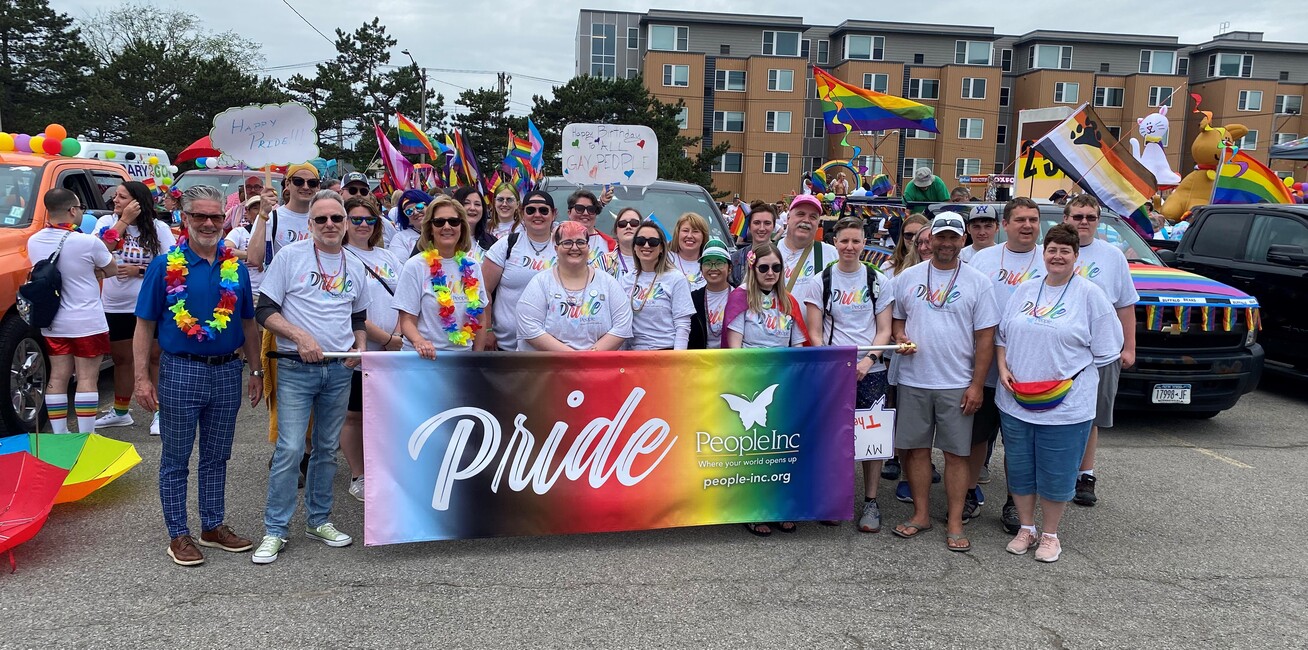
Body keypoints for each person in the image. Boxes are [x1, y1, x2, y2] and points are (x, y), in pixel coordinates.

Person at [132, 185, 264, 566]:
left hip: (227, 372)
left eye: (215, 217)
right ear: (184, 218)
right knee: (175, 457)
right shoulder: (164, 266)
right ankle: (178, 534)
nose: (208, 224)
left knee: (217, 456)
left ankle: (212, 525)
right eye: (200, 216)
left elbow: (249, 324)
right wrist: (142, 378)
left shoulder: (234, 267)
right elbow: (144, 326)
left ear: (224, 220)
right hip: (181, 370)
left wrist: (255, 370)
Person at [252, 190, 369, 564]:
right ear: (310, 224)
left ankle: (318, 521)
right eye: (322, 219)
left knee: (326, 450)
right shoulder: (290, 257)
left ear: (346, 223)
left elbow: (358, 317)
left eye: (337, 218)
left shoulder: (355, 264)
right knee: (289, 449)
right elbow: (264, 309)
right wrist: (300, 336)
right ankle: (275, 530)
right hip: (295, 368)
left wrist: (360, 347)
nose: (330, 225)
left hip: (338, 369)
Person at [996, 224, 1123, 563]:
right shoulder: (1024, 291)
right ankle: (1026, 527)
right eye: (1052, 249)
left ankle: (1050, 534)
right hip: (1017, 399)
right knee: (1021, 469)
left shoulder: (1090, 295)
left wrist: (1067, 376)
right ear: (1043, 253)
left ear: (1075, 256)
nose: (1057, 256)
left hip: (1066, 405)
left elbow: (1107, 350)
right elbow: (1002, 338)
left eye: (1065, 251)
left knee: (1056, 471)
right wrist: (1004, 369)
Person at [889, 213, 999, 553]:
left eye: (953, 238)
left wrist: (977, 385)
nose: (947, 244)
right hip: (914, 379)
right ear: (930, 239)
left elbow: (985, 339)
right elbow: (897, 322)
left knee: (956, 455)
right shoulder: (908, 278)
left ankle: (953, 521)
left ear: (963, 240)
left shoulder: (979, 282)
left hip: (957, 381)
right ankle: (921, 514)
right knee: (917, 451)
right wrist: (900, 337)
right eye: (941, 237)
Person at [965, 197, 1045, 532]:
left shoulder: (1050, 259)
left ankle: (1015, 503)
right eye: (1020, 219)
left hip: (1030, 367)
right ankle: (968, 493)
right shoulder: (982, 260)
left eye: (1033, 219)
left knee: (1020, 442)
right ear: (1006, 225)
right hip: (984, 365)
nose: (1027, 225)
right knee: (976, 437)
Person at [724, 242, 809, 536]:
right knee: (754, 451)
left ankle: (782, 506)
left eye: (776, 267)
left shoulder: (789, 301)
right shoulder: (739, 299)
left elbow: (799, 345)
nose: (770, 273)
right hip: (752, 382)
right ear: (752, 268)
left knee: (780, 450)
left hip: (783, 383)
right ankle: (752, 508)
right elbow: (733, 346)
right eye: (764, 267)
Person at [1063, 194, 1138, 508]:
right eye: (1077, 216)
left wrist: (1129, 347)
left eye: (1090, 217)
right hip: (1061, 349)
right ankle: (1058, 473)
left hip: (1101, 352)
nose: (1083, 222)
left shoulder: (1113, 256)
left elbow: (1125, 305)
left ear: (1098, 220)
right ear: (1066, 219)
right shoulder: (1052, 251)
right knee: (1057, 413)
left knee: (1090, 416)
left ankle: (1085, 475)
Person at [820, 217, 894, 533]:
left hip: (871, 370)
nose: (849, 247)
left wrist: (867, 361)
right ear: (834, 243)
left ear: (864, 243)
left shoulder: (878, 280)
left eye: (856, 241)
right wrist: (838, 365)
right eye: (844, 241)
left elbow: (884, 329)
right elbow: (814, 331)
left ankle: (871, 501)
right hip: (835, 371)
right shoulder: (821, 281)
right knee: (834, 436)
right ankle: (837, 498)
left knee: (871, 437)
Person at [29, 189, 117, 435]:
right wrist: (93, 271)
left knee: (58, 376)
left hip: (53, 322)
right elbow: (111, 269)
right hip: (88, 321)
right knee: (87, 378)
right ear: (72, 210)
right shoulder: (87, 241)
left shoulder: (34, 240)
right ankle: (87, 435)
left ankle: (60, 435)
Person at [93, 180, 178, 435]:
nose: (115, 201)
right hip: (115, 303)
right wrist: (122, 221)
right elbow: (97, 251)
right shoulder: (106, 224)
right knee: (121, 358)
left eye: (121, 197)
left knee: (154, 356)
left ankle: (161, 412)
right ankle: (120, 412)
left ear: (137, 202)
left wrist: (139, 270)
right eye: (115, 197)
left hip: (149, 303)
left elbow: (173, 264)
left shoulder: (158, 228)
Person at [340, 196, 403, 503]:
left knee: (387, 414)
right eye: (356, 219)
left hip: (393, 350)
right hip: (360, 348)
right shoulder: (339, 257)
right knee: (354, 415)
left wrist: (399, 335)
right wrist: (387, 339)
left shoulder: (388, 257)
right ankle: (358, 474)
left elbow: (405, 298)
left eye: (369, 220)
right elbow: (353, 310)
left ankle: (385, 469)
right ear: (344, 222)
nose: (363, 225)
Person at [395, 196, 488, 357]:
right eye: (439, 222)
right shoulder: (415, 266)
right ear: (430, 227)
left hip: (462, 359)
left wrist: (477, 359)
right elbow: (407, 320)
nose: (447, 227)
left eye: (453, 221)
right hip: (424, 359)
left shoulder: (472, 266)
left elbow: (480, 318)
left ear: (462, 227)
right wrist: (419, 342)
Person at [517, 221, 632, 351]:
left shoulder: (608, 283)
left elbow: (622, 325)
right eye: (567, 243)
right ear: (556, 248)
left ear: (588, 247)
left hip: (596, 366)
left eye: (580, 242)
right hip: (549, 367)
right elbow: (528, 326)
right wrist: (572, 357)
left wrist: (589, 357)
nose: (575, 247)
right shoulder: (541, 282)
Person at [482, 190, 558, 351]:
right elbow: (484, 290)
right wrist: (487, 329)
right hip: (506, 346)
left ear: (554, 214)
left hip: (552, 347)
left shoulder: (564, 247)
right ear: (522, 213)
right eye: (531, 210)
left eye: (544, 210)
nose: (537, 215)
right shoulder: (506, 245)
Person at [777, 195, 838, 344]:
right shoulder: (769, 252)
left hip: (815, 343)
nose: (806, 220)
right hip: (775, 343)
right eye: (800, 214)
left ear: (818, 223)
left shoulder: (830, 253)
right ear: (788, 218)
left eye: (813, 217)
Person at [627, 221, 694, 350]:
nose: (646, 245)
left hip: (665, 354)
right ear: (634, 246)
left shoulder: (676, 278)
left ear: (662, 247)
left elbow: (683, 325)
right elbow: (622, 325)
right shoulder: (625, 280)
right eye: (640, 241)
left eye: (653, 242)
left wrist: (677, 359)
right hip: (634, 356)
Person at [247, 163, 319, 270]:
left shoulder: (326, 219)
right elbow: (254, 259)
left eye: (312, 183)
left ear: (318, 186)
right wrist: (262, 214)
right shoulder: (271, 217)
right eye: (298, 181)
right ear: (287, 184)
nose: (305, 187)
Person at [688, 238, 732, 349]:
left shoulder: (740, 297)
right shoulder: (693, 299)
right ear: (701, 269)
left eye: (719, 263)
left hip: (732, 361)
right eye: (707, 263)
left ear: (730, 268)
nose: (713, 268)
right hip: (701, 361)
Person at [729, 203, 776, 286]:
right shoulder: (736, 258)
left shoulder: (782, 256)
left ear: (774, 226)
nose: (761, 228)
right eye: (757, 223)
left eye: (767, 223)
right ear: (749, 227)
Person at [343, 172, 396, 246]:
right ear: (341, 193)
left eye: (363, 191)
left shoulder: (383, 223)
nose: (358, 194)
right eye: (352, 190)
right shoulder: (331, 220)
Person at [598, 207, 641, 291]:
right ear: (616, 231)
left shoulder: (655, 260)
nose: (628, 226)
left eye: (634, 223)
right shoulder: (602, 263)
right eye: (622, 224)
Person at [566, 189, 615, 260]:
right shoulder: (555, 239)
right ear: (569, 213)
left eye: (591, 209)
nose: (585, 213)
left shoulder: (609, 244)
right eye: (579, 209)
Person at [667, 212, 710, 290]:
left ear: (704, 236)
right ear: (677, 234)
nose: (689, 236)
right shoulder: (665, 260)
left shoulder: (712, 262)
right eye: (685, 231)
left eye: (695, 231)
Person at [881, 214, 930, 279]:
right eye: (908, 235)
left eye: (918, 234)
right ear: (902, 237)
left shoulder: (938, 266)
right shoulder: (888, 267)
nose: (913, 239)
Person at [387, 189, 432, 257]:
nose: (416, 213)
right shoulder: (400, 239)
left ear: (430, 206)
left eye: (419, 206)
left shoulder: (443, 228)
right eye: (409, 211)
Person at [454, 186, 496, 254]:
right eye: (466, 203)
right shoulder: (446, 240)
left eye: (477, 204)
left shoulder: (492, 243)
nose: (472, 208)